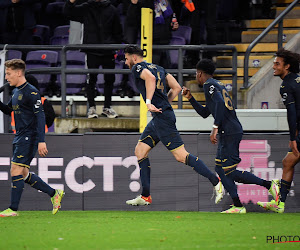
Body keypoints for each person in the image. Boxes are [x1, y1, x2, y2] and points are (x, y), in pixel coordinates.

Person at [124, 45, 224, 206]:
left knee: (180, 155)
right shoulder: (159, 68)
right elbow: (176, 87)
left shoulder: (137, 67)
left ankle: (216, 181)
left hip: (163, 119)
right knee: (140, 150)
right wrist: (163, 104)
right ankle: (145, 196)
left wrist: (149, 102)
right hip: (160, 116)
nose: (125, 61)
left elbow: (149, 79)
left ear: (134, 57)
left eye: (126, 58)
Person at [182, 59, 280, 213]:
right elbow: (204, 113)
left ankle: (269, 185)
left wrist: (215, 127)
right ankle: (238, 205)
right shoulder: (216, 85)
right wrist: (190, 98)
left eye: (196, 74)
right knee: (221, 169)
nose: (196, 77)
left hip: (229, 131)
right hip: (229, 131)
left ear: (200, 73)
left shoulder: (209, 85)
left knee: (229, 171)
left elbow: (220, 104)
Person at [0, 59, 64, 217]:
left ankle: (13, 209)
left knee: (15, 169)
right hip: (19, 135)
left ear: (18, 73)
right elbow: (9, 110)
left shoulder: (32, 92)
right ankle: (54, 193)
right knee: (23, 173)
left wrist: (41, 140)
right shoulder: (16, 92)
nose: (6, 77)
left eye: (8, 74)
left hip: (29, 136)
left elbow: (41, 116)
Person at [64, 0, 124, 118]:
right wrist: (70, 2)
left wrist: (116, 47)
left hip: (108, 51)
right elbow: (68, 13)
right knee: (91, 79)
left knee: (109, 79)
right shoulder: (86, 8)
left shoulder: (112, 9)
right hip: (91, 50)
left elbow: (117, 31)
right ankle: (91, 108)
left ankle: (107, 107)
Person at [257, 49, 300, 213]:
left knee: (288, 162)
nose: (273, 67)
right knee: (288, 162)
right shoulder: (296, 80)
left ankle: (280, 203)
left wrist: (292, 137)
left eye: (277, 64)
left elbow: (292, 112)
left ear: (287, 66)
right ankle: (280, 203)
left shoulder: (286, 85)